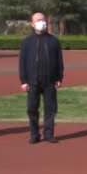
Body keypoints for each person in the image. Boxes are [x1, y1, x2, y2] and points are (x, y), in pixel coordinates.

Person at [18, 11, 64, 145]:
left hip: (50, 81)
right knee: (32, 108)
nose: (41, 22)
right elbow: (22, 63)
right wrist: (23, 81)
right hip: (32, 81)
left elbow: (60, 61)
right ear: (32, 24)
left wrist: (59, 78)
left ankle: (49, 134)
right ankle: (34, 134)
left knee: (50, 109)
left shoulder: (54, 41)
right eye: (38, 20)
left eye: (43, 20)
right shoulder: (26, 42)